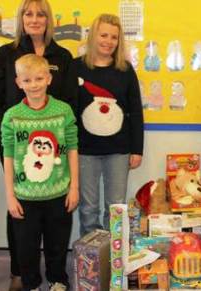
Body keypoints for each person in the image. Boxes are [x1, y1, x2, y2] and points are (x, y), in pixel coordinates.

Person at [0, 1, 72, 289]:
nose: (35, 19)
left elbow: (72, 102)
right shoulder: (4, 54)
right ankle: (20, 273)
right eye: (29, 14)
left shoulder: (63, 55)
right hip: (16, 147)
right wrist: (12, 132)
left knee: (54, 217)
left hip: (54, 152)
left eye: (41, 14)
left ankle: (56, 276)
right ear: (21, 19)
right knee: (19, 213)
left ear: (49, 19)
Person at [1, 54, 79, 291]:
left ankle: (57, 279)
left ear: (49, 78)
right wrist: (10, 195)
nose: (33, 84)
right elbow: (8, 156)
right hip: (24, 197)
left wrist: (74, 186)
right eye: (27, 80)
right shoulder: (11, 116)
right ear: (18, 83)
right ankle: (31, 283)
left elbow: (72, 148)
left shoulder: (63, 111)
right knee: (27, 247)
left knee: (58, 243)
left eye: (38, 78)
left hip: (59, 193)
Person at [67, 14, 144, 236]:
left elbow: (136, 112)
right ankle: (91, 263)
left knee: (116, 207)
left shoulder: (125, 70)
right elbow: (68, 110)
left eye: (114, 37)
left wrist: (137, 149)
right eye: (103, 35)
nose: (108, 41)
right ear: (93, 35)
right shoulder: (75, 68)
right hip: (84, 151)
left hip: (119, 150)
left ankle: (113, 260)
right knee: (88, 209)